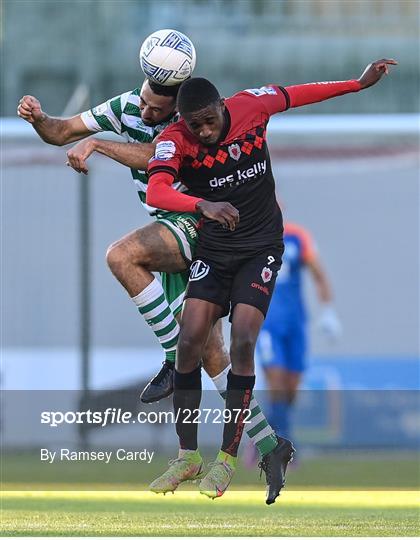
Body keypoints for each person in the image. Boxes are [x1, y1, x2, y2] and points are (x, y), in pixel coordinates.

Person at [17, 77, 288, 501]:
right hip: (171, 224)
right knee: (209, 352)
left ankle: (168, 359)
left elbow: (153, 158)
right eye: (143, 105)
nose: (146, 114)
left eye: (157, 112)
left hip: (196, 222)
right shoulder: (126, 106)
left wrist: (101, 145)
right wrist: (39, 118)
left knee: (122, 256)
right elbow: (62, 131)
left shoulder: (188, 125)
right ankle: (269, 443)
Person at [145, 59, 397, 501]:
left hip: (261, 245)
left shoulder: (250, 107)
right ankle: (187, 455)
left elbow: (300, 92)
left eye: (208, 121)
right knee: (190, 339)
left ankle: (226, 461)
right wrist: (202, 205)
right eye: (193, 125)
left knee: (243, 338)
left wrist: (357, 85)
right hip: (215, 249)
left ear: (222, 107)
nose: (202, 132)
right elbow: (157, 190)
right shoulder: (174, 140)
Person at [249, 221, 342, 465]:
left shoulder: (297, 236)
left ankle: (261, 436)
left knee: (291, 389)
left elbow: (318, 274)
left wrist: (328, 310)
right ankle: (284, 446)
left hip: (296, 323)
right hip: (267, 323)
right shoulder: (251, 234)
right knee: (276, 380)